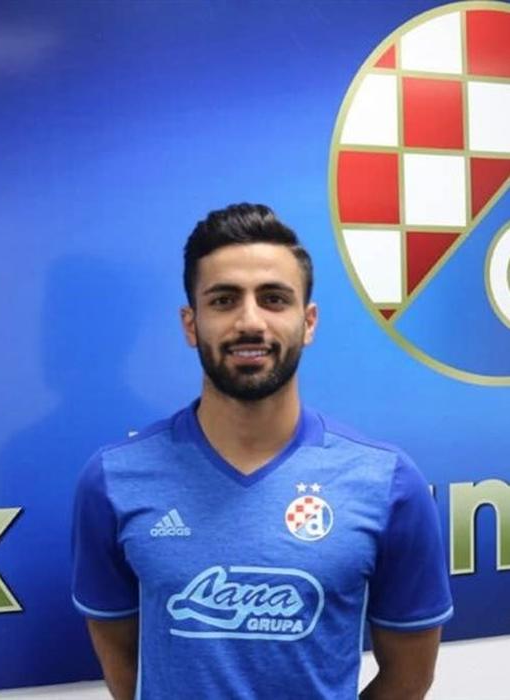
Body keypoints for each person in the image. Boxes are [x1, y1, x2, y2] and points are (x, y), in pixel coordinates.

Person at [71, 203, 453, 699]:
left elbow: (410, 678)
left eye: (273, 299)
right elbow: (125, 667)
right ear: (191, 324)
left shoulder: (387, 483)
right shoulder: (114, 480)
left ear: (308, 322)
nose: (250, 322)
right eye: (224, 300)